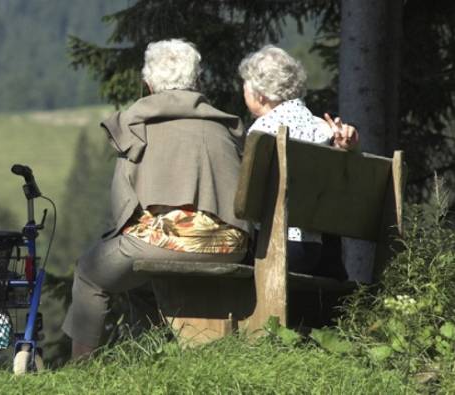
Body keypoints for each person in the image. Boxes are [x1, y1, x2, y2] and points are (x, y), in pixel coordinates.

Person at [62, 39, 252, 358]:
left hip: (167, 242)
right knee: (140, 278)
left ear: (148, 85)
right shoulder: (225, 125)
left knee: (89, 272)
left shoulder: (136, 124)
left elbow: (124, 202)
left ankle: (80, 370)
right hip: (232, 246)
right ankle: (153, 357)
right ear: (197, 81)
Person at [238, 44, 358, 275]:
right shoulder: (322, 128)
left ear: (260, 94)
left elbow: (248, 203)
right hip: (321, 249)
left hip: (277, 245)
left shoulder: (261, 132)